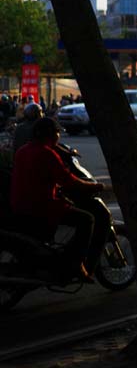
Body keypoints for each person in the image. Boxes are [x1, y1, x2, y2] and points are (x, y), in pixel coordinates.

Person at [10, 118, 107, 281]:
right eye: (57, 132)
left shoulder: (23, 150)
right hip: (41, 206)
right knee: (87, 219)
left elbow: (38, 178)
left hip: (20, 203)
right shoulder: (47, 154)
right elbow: (69, 180)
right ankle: (76, 263)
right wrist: (96, 187)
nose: (59, 136)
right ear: (50, 134)